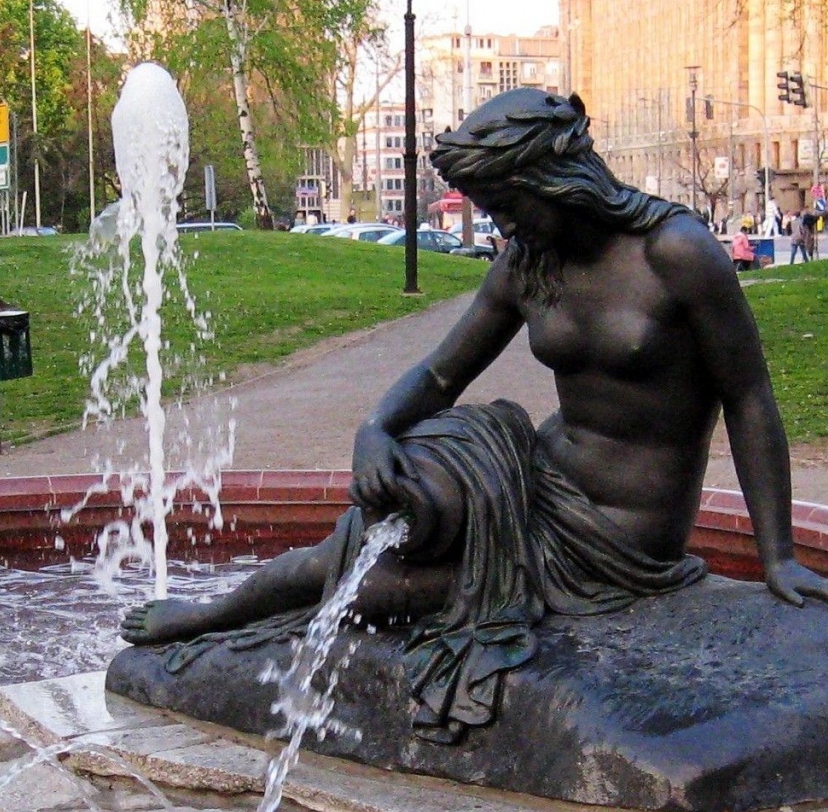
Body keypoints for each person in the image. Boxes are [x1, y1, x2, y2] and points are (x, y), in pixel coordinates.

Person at [122, 89, 828, 737]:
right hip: (535, 481)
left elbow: (749, 397)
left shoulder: (677, 252)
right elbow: (439, 374)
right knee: (382, 514)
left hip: (619, 534)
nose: (501, 223)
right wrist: (376, 432)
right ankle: (211, 616)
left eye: (506, 204)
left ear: (554, 181)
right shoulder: (529, 261)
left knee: (378, 588)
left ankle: (223, 624)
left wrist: (779, 557)